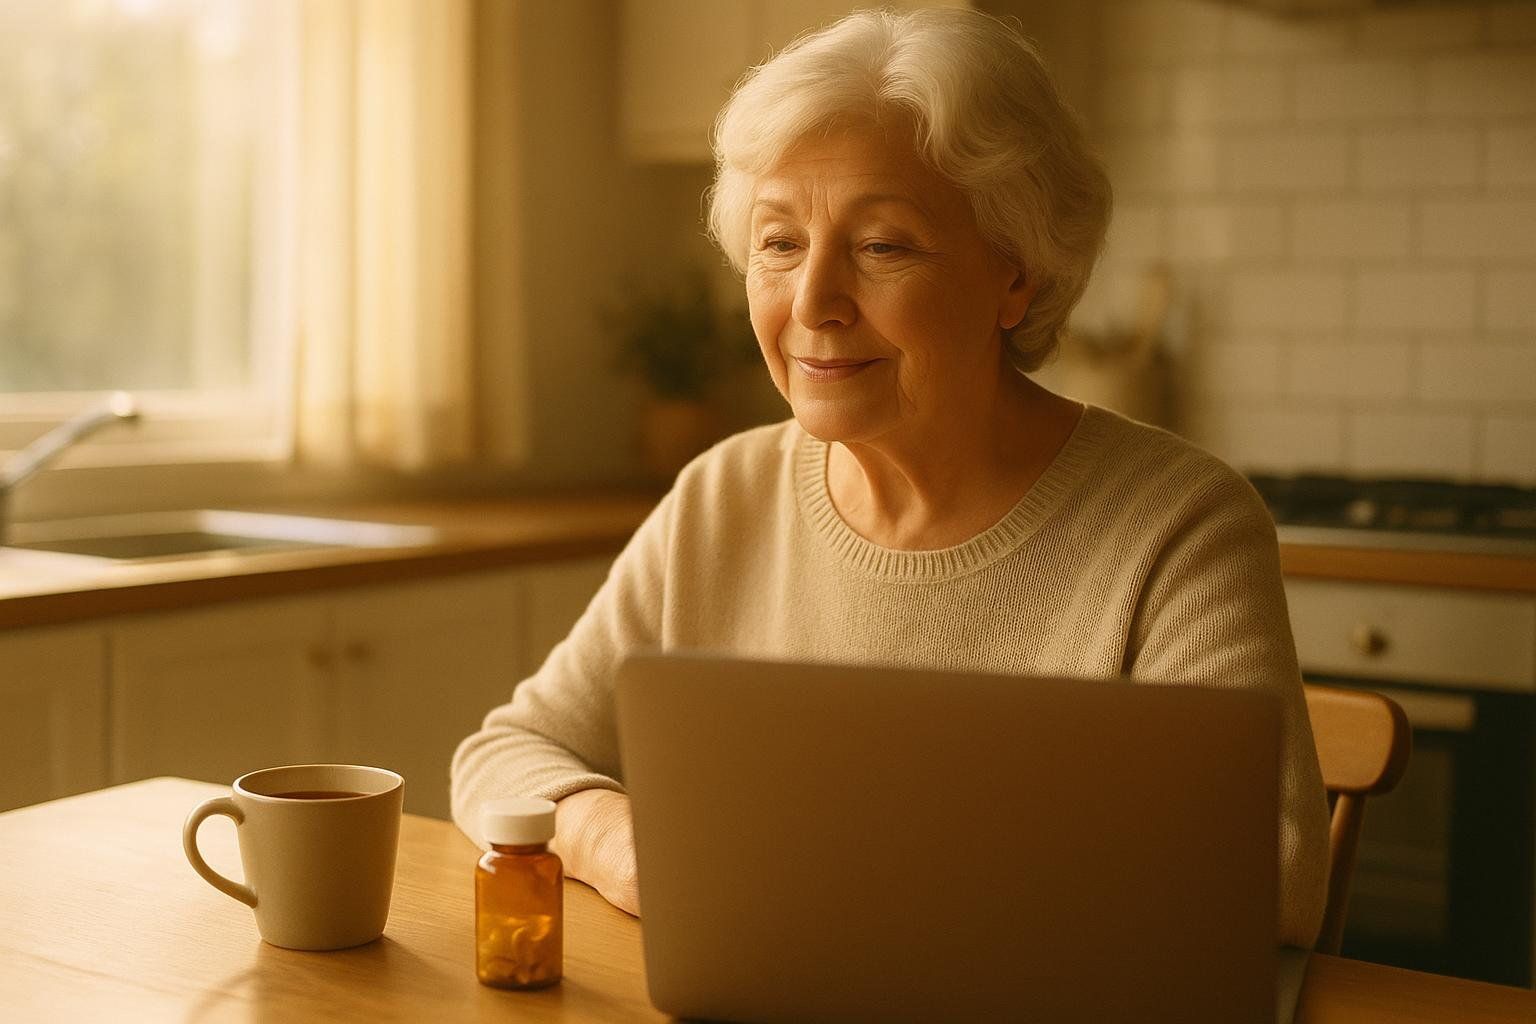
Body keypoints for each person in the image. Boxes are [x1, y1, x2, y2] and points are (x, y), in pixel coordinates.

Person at [452, 7, 1328, 948]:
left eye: (883, 246)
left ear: (1016, 277)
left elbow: (1268, 877)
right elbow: (502, 754)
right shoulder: (721, 498)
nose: (815, 303)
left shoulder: (1179, 525)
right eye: (780, 243)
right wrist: (615, 841)